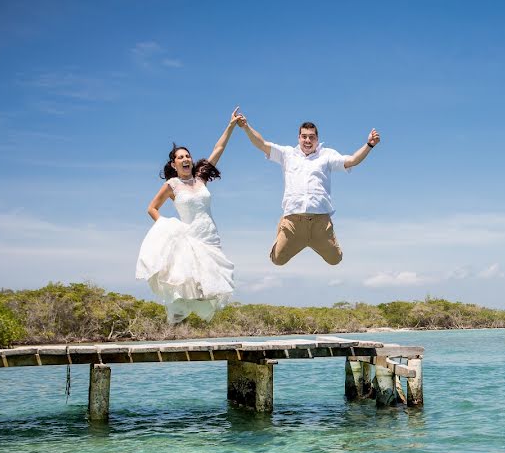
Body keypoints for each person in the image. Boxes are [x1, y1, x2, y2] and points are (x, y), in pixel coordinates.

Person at [135, 107, 242, 324]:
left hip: (210, 234)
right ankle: (177, 316)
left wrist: (230, 126)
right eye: (180, 157)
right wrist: (165, 226)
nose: (185, 159)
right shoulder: (172, 185)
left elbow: (219, 147)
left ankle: (189, 316)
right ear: (174, 164)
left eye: (187, 156)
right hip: (189, 235)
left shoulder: (201, 178)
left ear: (191, 160)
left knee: (211, 284)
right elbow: (152, 208)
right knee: (189, 279)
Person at [237, 114, 380, 266]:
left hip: (319, 222)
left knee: (335, 260)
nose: (307, 140)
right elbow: (262, 144)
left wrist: (369, 145)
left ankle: (313, 241)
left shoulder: (327, 155)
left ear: (317, 139)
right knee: (277, 260)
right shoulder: (287, 154)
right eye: (304, 136)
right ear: (298, 138)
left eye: (311, 137)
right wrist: (246, 127)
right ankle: (283, 227)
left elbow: (352, 160)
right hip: (293, 221)